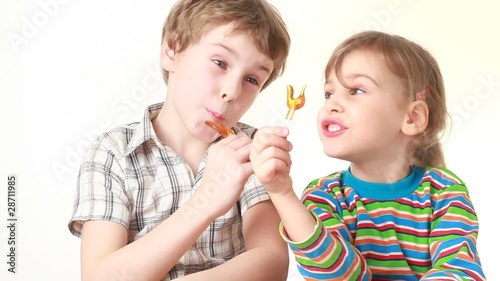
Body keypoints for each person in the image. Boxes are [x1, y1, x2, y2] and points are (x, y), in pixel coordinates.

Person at [67, 0, 291, 280]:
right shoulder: (112, 153)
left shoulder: (252, 148)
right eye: (220, 63)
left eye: (251, 79)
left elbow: (272, 263)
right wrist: (205, 202)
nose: (231, 91)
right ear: (171, 51)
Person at [250, 30, 486, 280]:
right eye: (329, 93)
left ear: (412, 117)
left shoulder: (445, 192)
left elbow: (459, 271)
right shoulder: (324, 196)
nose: (332, 104)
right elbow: (341, 276)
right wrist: (281, 193)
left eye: (356, 90)